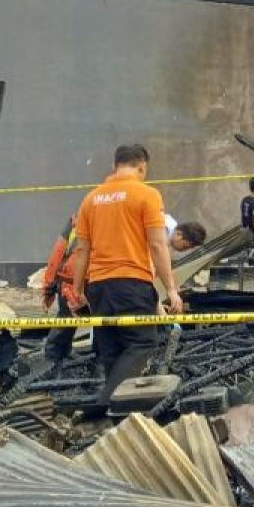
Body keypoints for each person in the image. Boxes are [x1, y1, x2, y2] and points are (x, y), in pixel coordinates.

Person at [70, 144, 183, 406]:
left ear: (114, 166)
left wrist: (77, 290)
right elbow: (157, 244)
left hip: (97, 285)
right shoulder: (147, 195)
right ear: (142, 166)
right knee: (140, 343)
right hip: (131, 282)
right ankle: (105, 404)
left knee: (111, 350)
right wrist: (171, 288)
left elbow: (81, 249)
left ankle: (114, 417)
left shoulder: (91, 199)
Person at [41, 214, 86, 363]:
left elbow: (58, 252)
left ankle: (61, 354)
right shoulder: (77, 223)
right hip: (71, 285)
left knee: (69, 321)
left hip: (84, 282)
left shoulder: (81, 220)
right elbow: (58, 252)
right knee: (66, 320)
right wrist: (48, 288)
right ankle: (51, 359)